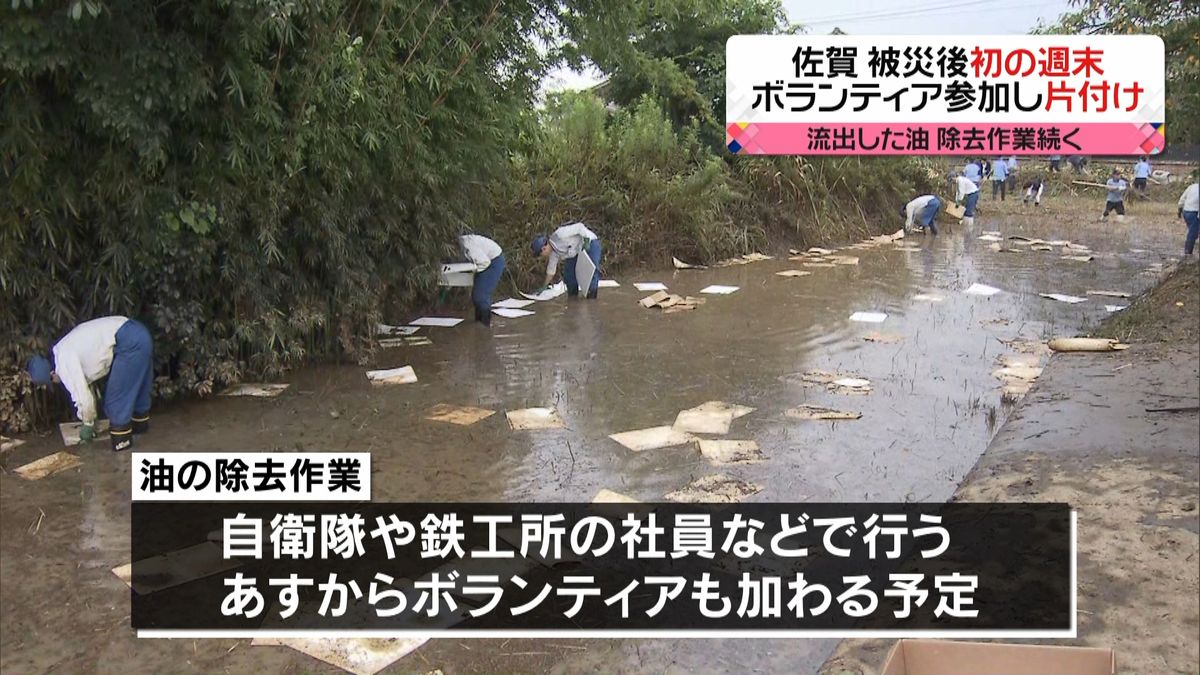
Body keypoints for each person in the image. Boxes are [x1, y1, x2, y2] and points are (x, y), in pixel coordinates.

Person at [26, 316, 154, 452]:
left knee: (115, 402)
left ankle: (122, 444)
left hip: (129, 342)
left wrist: (87, 425)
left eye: (52, 381)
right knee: (138, 388)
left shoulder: (64, 363)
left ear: (51, 373)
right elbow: (88, 385)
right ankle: (140, 428)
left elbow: (83, 398)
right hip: (138, 331)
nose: (57, 383)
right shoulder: (64, 347)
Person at [531, 222, 602, 298]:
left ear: (543, 249)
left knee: (591, 274)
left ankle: (591, 299)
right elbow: (551, 271)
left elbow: (579, 227)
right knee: (569, 276)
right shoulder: (553, 253)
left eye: (541, 254)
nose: (542, 256)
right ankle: (573, 299)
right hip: (576, 252)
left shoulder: (560, 234)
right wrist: (544, 286)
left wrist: (586, 239)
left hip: (589, 244)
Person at [458, 233, 505, 326]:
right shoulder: (463, 244)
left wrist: (471, 271)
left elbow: (484, 263)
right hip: (485, 261)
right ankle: (479, 324)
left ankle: (485, 327)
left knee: (480, 296)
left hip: (493, 262)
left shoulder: (468, 246)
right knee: (476, 296)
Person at [1179, 181, 1199, 257]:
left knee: (1194, 231)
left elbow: (1182, 198)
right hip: (1194, 212)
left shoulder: (1192, 186)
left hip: (1186, 211)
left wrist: (1179, 209)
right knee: (1193, 232)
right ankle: (1188, 252)